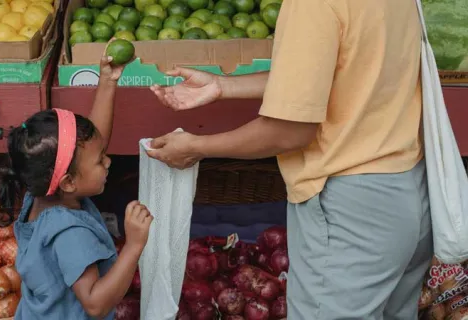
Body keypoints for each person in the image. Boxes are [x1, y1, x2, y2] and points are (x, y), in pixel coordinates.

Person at [148, 0, 432, 319]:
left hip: (351, 205)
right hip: (407, 189)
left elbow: (289, 131)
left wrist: (198, 147)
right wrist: (222, 85)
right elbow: (333, 73)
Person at [0, 50, 153, 320]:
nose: (109, 161)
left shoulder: (40, 194)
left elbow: (90, 144)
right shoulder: (69, 233)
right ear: (68, 182)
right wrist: (134, 245)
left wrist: (108, 82)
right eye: (100, 160)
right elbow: (94, 304)